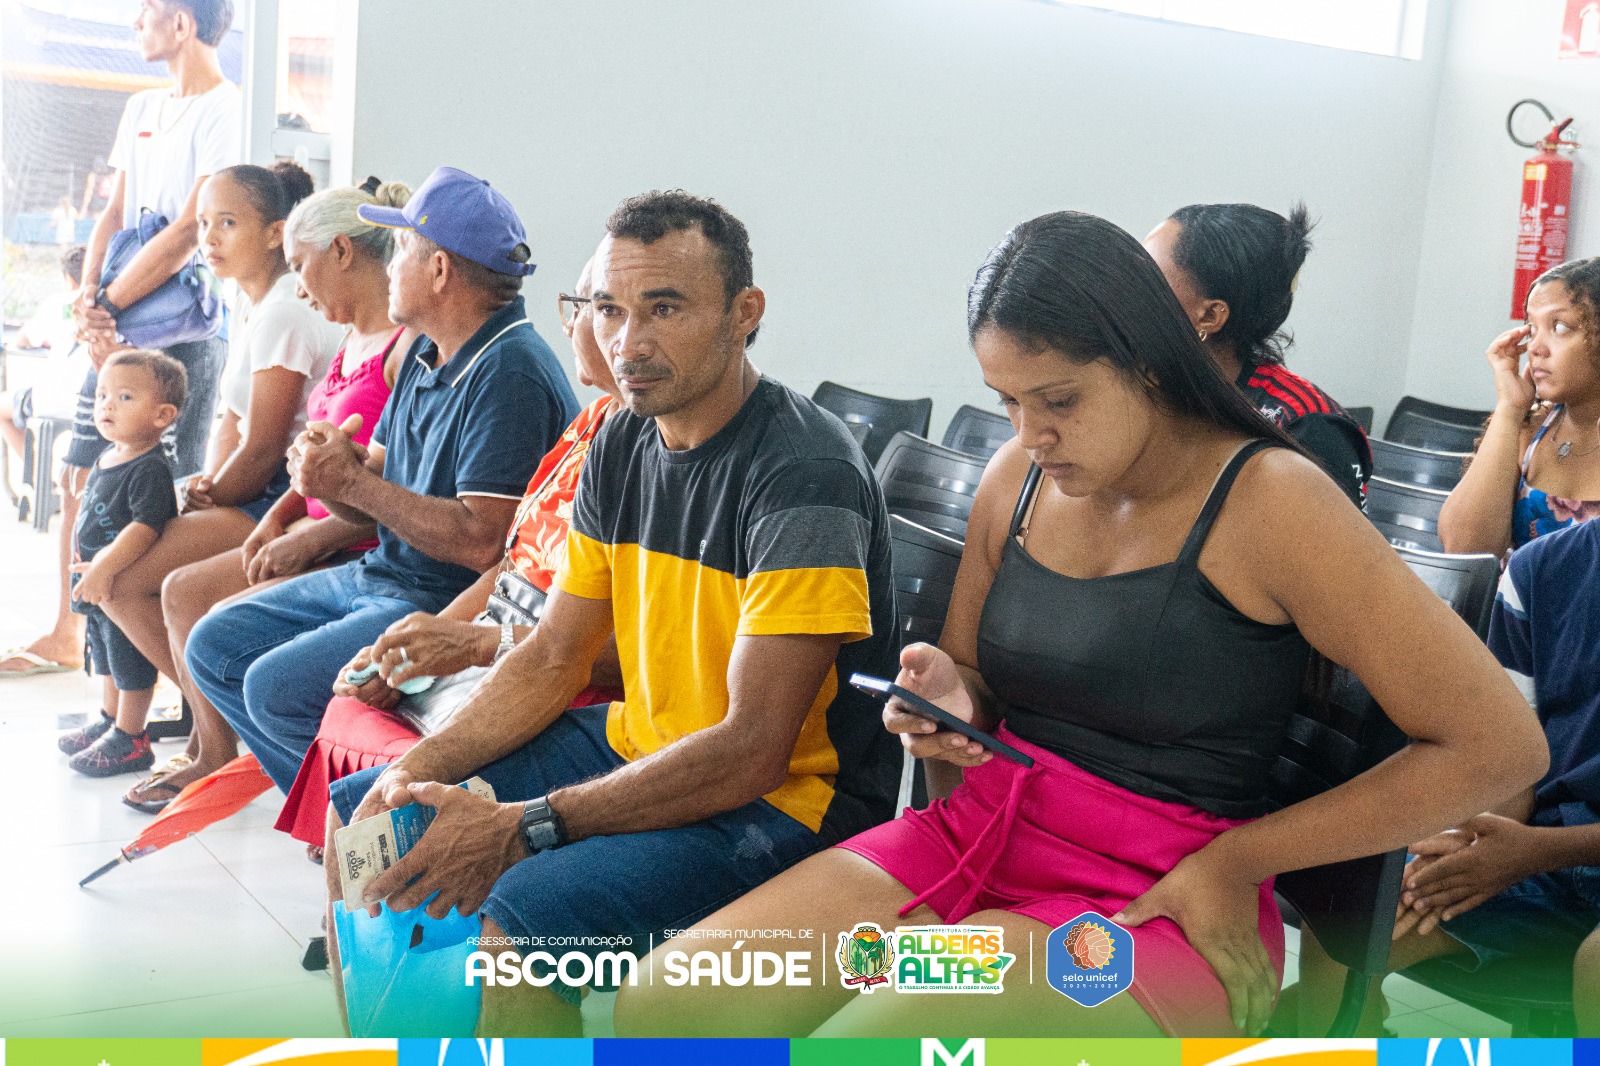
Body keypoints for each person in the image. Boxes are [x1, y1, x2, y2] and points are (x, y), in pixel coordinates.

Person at [614, 211, 1547, 1041]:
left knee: (878, 1037)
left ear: (1151, 361)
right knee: (674, 1001)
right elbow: (976, 680)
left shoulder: (1272, 500)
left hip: (1154, 903)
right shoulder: (1016, 479)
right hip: (977, 843)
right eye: (1007, 400)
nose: (1031, 433)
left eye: (1058, 400)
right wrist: (949, 699)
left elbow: (1500, 746)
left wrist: (1240, 861)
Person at [321, 190, 900, 1037]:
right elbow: (553, 654)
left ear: (745, 314)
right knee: (366, 821)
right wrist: (418, 770)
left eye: (664, 309)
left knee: (520, 924)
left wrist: (523, 826)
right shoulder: (623, 442)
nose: (628, 343)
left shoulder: (803, 475)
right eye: (609, 309)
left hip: (784, 801)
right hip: (643, 740)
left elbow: (752, 749)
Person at [184, 165, 578, 796]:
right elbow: (375, 484)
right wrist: (326, 473)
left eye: (399, 251)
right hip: (383, 574)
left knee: (272, 688)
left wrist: (352, 484)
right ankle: (344, 818)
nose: (388, 268)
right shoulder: (427, 350)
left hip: (439, 596)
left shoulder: (510, 371)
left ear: (440, 270)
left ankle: (384, 815)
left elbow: (483, 544)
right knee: (213, 645)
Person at [273, 256, 624, 854]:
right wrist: (425, 642)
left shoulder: (516, 372)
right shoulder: (591, 424)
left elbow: (591, 647)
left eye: (596, 308)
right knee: (350, 704)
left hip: (552, 669)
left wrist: (471, 644)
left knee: (375, 792)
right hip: (499, 631)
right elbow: (510, 566)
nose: (572, 325)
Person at [121, 177, 416, 812]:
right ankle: (219, 752)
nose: (300, 288)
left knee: (199, 607)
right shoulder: (348, 340)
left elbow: (393, 484)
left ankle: (270, 774)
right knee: (184, 596)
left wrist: (308, 536)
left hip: (355, 542)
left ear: (342, 252)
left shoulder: (402, 351)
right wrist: (277, 518)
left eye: (303, 267)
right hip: (313, 524)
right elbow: (310, 456)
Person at [73, 163, 344, 777]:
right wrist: (205, 483)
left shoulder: (283, 310)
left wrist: (213, 493)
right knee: (117, 562)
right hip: (256, 486)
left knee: (121, 579)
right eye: (202, 224)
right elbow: (232, 421)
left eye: (228, 223)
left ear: (274, 233)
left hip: (286, 496)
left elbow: (266, 446)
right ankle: (206, 724)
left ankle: (214, 741)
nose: (210, 238)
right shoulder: (248, 304)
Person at [1295, 513, 1600, 1036]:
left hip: (1553, 852)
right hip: (1542, 856)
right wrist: (1471, 844)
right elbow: (1516, 772)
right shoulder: (1541, 568)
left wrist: (1536, 851)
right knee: (1346, 921)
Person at [74, 0, 241, 480]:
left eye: (146, 9)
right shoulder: (141, 106)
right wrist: (88, 294)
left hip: (187, 325)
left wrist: (106, 307)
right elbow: (114, 212)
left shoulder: (228, 108)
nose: (136, 22)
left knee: (166, 487)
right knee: (82, 473)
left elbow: (192, 228)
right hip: (119, 319)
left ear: (181, 24)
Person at [1143, 203, 1370, 507]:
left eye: (1151, 281)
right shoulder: (1142, 389)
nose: (1131, 293)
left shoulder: (1308, 426)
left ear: (1210, 316)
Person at [57, 351, 187, 776]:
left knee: (130, 661)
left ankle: (132, 736)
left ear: (162, 415)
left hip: (120, 582)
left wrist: (105, 566)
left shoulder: (149, 468)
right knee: (106, 658)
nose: (107, 405)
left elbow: (145, 528)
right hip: (98, 583)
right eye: (102, 396)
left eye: (125, 397)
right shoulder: (108, 456)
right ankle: (110, 720)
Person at [1439, 258, 1600, 555]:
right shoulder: (1530, 430)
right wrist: (1509, 410)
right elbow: (1464, 549)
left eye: (1559, 327)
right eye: (1532, 328)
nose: (1535, 347)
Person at [0, 247, 93, 678]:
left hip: (61, 399)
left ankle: (40, 483)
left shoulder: (66, 301)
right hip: (81, 400)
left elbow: (22, 341)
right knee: (76, 488)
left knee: (79, 488)